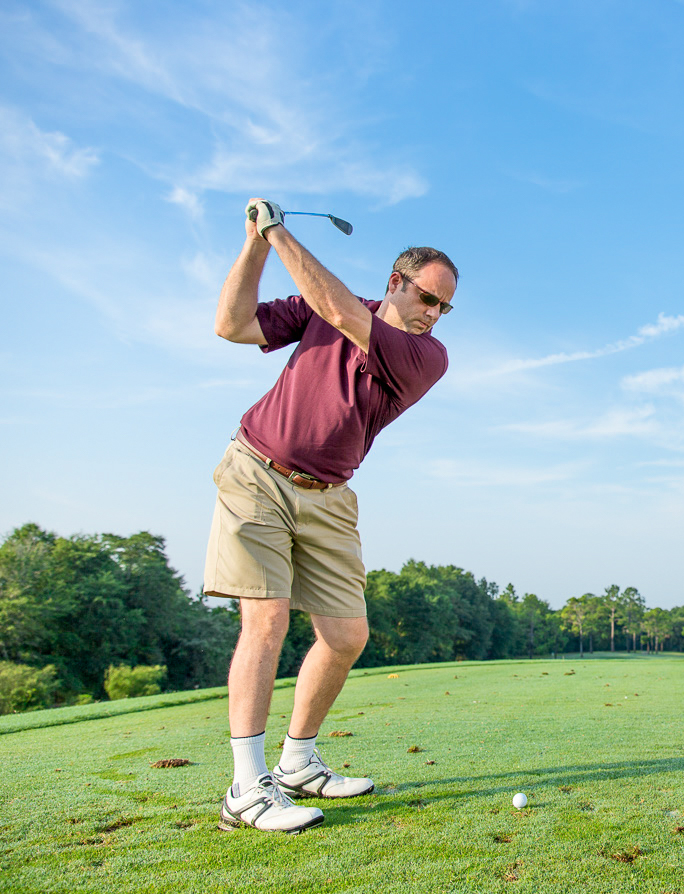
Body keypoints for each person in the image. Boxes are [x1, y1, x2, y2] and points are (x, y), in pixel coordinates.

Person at [206, 198, 457, 834]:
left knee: (346, 637)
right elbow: (231, 325)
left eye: (444, 307)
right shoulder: (323, 308)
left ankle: (297, 762)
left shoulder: (427, 356)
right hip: (257, 472)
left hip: (330, 496)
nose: (434, 314)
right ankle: (246, 787)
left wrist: (279, 232)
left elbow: (341, 311)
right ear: (396, 282)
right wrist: (255, 246)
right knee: (265, 623)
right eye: (428, 299)